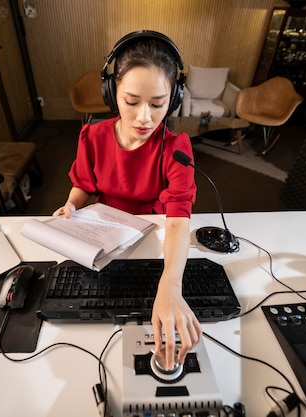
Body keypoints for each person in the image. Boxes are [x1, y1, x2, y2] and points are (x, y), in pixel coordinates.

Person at [53, 31, 200, 370]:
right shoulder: (92, 136)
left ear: (174, 98)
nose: (144, 118)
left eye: (158, 104)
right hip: (101, 237)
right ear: (111, 93)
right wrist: (72, 205)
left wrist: (171, 284)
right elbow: (83, 186)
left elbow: (178, 218)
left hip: (152, 239)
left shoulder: (176, 148)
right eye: (132, 102)